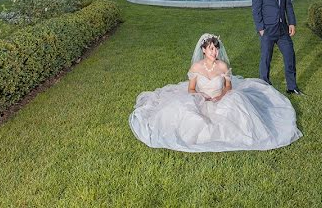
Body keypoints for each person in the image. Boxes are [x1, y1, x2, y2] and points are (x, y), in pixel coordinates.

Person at [128, 33, 301, 152]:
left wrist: (221, 96)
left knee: (237, 105)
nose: (215, 52)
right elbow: (191, 88)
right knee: (186, 113)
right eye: (211, 49)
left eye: (216, 49)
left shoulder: (222, 66)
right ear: (203, 50)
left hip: (220, 96)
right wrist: (200, 96)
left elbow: (228, 86)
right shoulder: (196, 67)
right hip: (201, 96)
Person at [252, 0, 301, 94]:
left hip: (283, 29)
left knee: (290, 56)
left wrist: (291, 22)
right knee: (266, 58)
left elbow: (288, 6)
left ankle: (292, 87)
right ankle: (264, 86)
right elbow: (256, 10)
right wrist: (261, 28)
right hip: (267, 30)